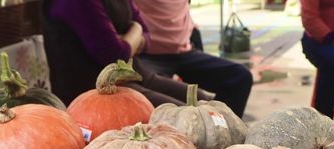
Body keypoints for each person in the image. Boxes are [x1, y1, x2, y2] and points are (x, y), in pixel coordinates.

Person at [41, 0, 211, 106]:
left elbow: (146, 34)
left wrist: (131, 35)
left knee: (205, 101)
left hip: (135, 75)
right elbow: (116, 54)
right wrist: (133, 32)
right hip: (99, 90)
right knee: (184, 115)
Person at [133, 0, 254, 118]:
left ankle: (224, 131)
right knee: (178, 104)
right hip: (147, 57)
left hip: (185, 52)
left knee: (240, 77)